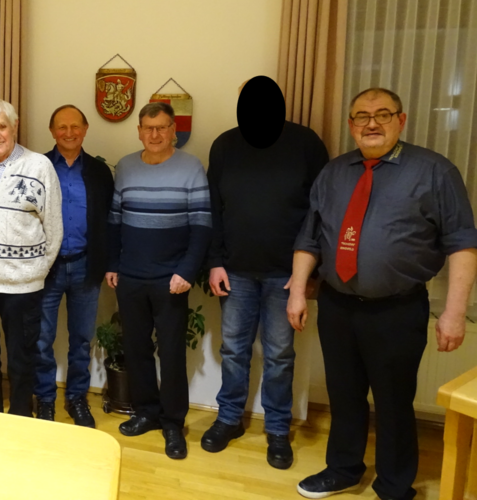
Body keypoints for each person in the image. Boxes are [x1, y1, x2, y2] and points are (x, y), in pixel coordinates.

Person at [288, 88, 477, 499]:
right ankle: (343, 469)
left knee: (393, 402)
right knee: (344, 394)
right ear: (351, 124)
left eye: (383, 114)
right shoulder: (334, 172)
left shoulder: (434, 171)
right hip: (337, 305)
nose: (371, 123)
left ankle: (394, 484)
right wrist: (297, 291)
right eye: (362, 116)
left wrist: (454, 312)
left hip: (397, 310)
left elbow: (462, 243)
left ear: (401, 120)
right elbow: (310, 237)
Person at [202, 77, 329, 469]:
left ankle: (277, 429)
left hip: (286, 275)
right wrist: (214, 261)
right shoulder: (224, 146)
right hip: (235, 271)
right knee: (233, 351)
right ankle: (229, 419)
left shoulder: (306, 144)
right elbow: (213, 209)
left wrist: (310, 272)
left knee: (279, 355)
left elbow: (322, 212)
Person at [105, 102, 211, 460]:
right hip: (130, 276)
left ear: (173, 131)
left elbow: (202, 225)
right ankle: (146, 412)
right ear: (139, 131)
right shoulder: (125, 166)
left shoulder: (191, 167)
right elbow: (115, 221)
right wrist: (113, 264)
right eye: (148, 128)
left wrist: (187, 271)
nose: (155, 134)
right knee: (136, 350)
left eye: (162, 127)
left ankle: (172, 423)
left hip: (171, 280)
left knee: (171, 353)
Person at [0, 98, 63, 416]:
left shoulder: (39, 166)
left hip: (22, 285)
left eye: (2, 126)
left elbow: (54, 227)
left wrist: (35, 271)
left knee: (21, 358)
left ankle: (20, 416)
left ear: (14, 126)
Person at [35, 105, 114, 427]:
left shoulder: (99, 171)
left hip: (85, 266)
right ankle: (45, 399)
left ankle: (77, 398)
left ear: (85, 128)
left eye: (75, 126)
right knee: (41, 340)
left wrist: (109, 263)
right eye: (62, 127)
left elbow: (109, 221)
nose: (69, 133)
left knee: (81, 339)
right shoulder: (37, 167)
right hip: (46, 269)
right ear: (52, 131)